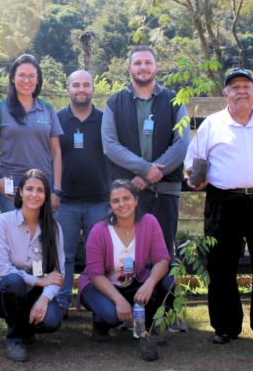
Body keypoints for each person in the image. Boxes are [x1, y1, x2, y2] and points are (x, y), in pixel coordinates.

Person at [184, 69, 253, 346]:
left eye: (246, 86)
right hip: (223, 202)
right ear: (225, 93)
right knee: (221, 267)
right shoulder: (212, 124)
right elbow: (193, 162)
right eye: (235, 87)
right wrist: (193, 178)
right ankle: (225, 327)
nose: (241, 91)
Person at [101, 45, 191, 258]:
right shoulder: (114, 102)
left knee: (162, 253)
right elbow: (110, 145)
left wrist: (149, 176)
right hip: (127, 191)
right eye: (138, 63)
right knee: (126, 254)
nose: (143, 67)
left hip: (165, 191)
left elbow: (182, 144)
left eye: (148, 63)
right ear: (129, 68)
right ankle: (130, 293)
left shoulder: (175, 101)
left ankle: (161, 292)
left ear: (156, 67)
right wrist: (144, 169)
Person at [78, 179, 178, 342]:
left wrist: (149, 283)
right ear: (110, 205)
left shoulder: (149, 222)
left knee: (167, 284)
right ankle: (100, 322)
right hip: (100, 285)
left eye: (126, 198)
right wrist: (119, 301)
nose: (122, 204)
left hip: (134, 282)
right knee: (112, 317)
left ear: (136, 200)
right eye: (115, 201)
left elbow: (162, 260)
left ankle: (148, 328)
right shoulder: (99, 230)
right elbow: (95, 274)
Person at [0, 169, 65, 362]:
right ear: (20, 191)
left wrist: (44, 300)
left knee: (52, 321)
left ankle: (26, 325)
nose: (34, 195)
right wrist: (39, 281)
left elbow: (58, 273)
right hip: (2, 292)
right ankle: (15, 339)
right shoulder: (3, 222)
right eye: (29, 189)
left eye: (40, 190)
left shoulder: (53, 228)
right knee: (14, 280)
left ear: (46, 195)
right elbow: (3, 268)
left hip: (33, 294)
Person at [54, 70, 110, 318]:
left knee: (97, 258)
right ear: (67, 89)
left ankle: (97, 304)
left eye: (86, 85)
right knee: (62, 255)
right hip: (64, 202)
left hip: (100, 200)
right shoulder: (56, 120)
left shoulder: (106, 120)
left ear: (93, 89)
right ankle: (61, 303)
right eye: (76, 85)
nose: (81, 89)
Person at [0, 54, 63, 214]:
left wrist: (56, 190)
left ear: (38, 79)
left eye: (31, 76)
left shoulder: (47, 108)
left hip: (43, 182)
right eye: (21, 75)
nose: (26, 81)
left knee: (42, 235)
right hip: (11, 184)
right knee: (13, 233)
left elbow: (56, 151)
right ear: (13, 77)